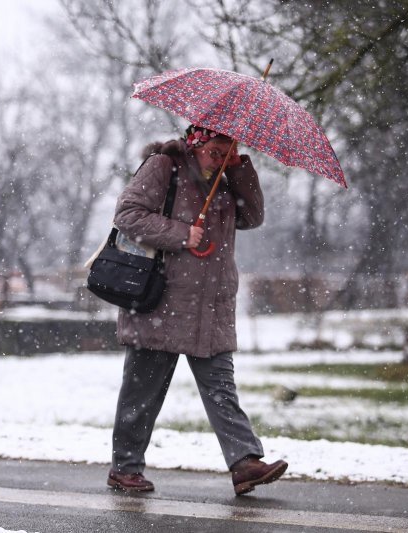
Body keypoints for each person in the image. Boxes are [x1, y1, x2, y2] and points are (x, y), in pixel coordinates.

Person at [107, 124, 288, 496]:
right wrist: (180, 233)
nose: (219, 159)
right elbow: (128, 215)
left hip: (211, 307)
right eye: (215, 152)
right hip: (161, 302)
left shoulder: (228, 177)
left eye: (228, 152)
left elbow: (252, 217)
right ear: (196, 142)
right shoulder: (164, 166)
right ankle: (125, 468)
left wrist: (238, 168)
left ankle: (245, 464)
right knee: (141, 394)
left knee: (222, 391)